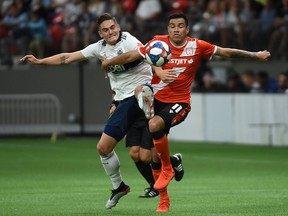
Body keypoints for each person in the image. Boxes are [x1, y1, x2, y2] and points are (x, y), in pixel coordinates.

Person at [101, 13, 271, 212]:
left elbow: (225, 52)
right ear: (168, 28)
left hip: (180, 103)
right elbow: (132, 56)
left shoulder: (198, 46)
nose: (176, 29)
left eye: (180, 26)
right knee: (153, 155)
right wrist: (108, 62)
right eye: (172, 26)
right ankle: (164, 199)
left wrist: (254, 55)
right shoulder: (158, 43)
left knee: (154, 125)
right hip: (157, 102)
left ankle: (167, 167)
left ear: (187, 29)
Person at [20, 13, 183, 210]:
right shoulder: (99, 48)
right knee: (104, 149)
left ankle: (164, 173)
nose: (111, 32)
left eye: (112, 27)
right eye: (105, 30)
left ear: (117, 26)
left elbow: (149, 56)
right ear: (100, 33)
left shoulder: (129, 40)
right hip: (123, 101)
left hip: (141, 95)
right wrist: (40, 61)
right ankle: (120, 186)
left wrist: (156, 71)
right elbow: (68, 57)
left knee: (146, 153)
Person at [110, 91, 184, 199]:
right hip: (132, 114)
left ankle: (173, 161)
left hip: (148, 113)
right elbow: (117, 89)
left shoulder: (148, 74)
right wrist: (114, 104)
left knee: (146, 157)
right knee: (134, 154)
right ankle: (154, 186)